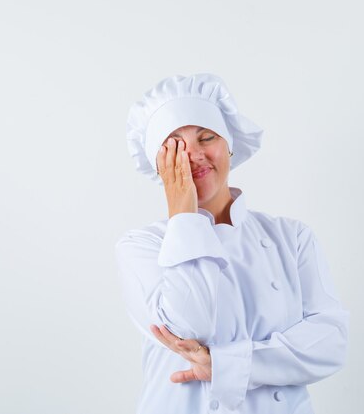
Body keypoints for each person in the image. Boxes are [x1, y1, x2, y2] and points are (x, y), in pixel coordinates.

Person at [115, 73, 349, 414]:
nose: (193, 155)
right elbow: (192, 324)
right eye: (174, 147)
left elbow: (330, 343)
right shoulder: (142, 247)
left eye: (206, 137)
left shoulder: (290, 237)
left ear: (230, 144)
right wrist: (184, 215)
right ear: (158, 164)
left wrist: (225, 365)